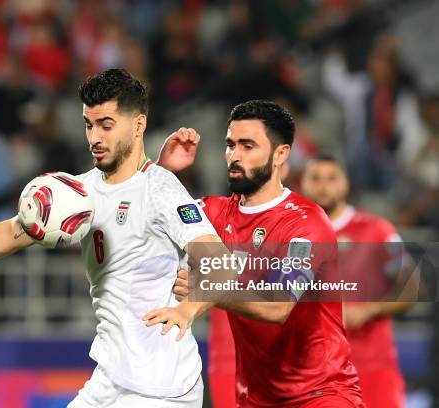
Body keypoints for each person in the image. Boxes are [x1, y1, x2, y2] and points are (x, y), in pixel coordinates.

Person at [0, 68, 230, 407]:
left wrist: (187, 310)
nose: (94, 137)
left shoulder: (162, 188)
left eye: (106, 124)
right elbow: (11, 232)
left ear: (138, 125)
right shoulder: (78, 192)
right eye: (88, 124)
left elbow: (220, 262)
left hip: (160, 391)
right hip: (110, 381)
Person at [146, 100, 365, 407]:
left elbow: (278, 306)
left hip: (321, 394)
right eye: (230, 145)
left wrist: (207, 289)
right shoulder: (214, 213)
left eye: (248, 146)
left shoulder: (306, 223)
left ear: (281, 154)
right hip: (256, 398)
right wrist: (163, 173)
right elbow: (148, 217)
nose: (234, 156)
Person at [301, 155, 414, 408]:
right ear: (303, 184)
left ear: (346, 184)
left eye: (332, 178)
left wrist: (371, 308)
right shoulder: (292, 234)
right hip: (314, 370)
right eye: (315, 178)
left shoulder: (376, 231)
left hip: (372, 364)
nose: (323, 186)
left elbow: (413, 287)